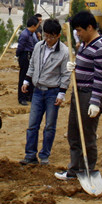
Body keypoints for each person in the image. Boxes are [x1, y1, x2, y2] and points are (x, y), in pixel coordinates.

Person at [56, 10, 102, 182]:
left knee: (87, 135)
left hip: (89, 96)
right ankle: (74, 170)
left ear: (90, 28)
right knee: (73, 133)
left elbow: (100, 78)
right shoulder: (86, 45)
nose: (78, 34)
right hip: (78, 94)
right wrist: (76, 67)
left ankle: (88, 170)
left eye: (79, 30)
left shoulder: (101, 48)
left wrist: (95, 102)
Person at [20, 18, 70, 165]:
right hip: (37, 91)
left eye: (51, 37)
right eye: (46, 35)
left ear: (58, 36)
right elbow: (32, 65)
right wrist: (26, 80)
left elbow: (65, 74)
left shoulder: (64, 52)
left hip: (52, 92)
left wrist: (62, 93)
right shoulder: (38, 47)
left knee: (49, 126)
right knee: (32, 125)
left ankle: (44, 155)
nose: (47, 39)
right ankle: (30, 155)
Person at [16, 16, 40, 105]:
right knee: (23, 77)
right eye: (36, 26)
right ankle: (21, 97)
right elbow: (20, 47)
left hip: (31, 56)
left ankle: (28, 95)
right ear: (33, 26)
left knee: (30, 76)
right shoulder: (24, 34)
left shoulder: (32, 34)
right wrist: (18, 56)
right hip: (25, 56)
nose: (37, 28)